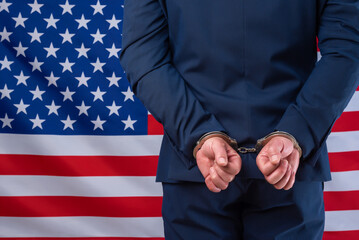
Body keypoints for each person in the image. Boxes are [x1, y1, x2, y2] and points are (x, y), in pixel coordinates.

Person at [120, 0, 359, 239]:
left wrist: (199, 133)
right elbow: (347, 51)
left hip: (199, 167)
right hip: (288, 164)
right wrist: (296, 132)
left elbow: (143, 56)